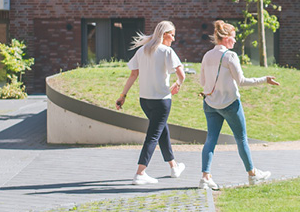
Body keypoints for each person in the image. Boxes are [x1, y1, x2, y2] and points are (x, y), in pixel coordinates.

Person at [198, 20, 279, 190]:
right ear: (225, 37)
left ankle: (205, 177)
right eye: (233, 37)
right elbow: (241, 82)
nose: (235, 41)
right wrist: (264, 80)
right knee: (241, 139)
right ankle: (252, 175)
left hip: (210, 104)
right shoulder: (230, 56)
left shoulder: (206, 56)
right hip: (230, 105)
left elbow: (202, 81)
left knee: (211, 140)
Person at [116, 21, 186, 185]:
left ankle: (174, 166)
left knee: (162, 130)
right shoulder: (167, 51)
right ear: (165, 34)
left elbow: (133, 75)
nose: (174, 39)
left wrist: (123, 95)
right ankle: (140, 172)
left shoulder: (143, 51)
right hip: (161, 101)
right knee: (154, 135)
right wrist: (178, 84)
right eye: (172, 35)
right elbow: (182, 74)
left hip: (145, 101)